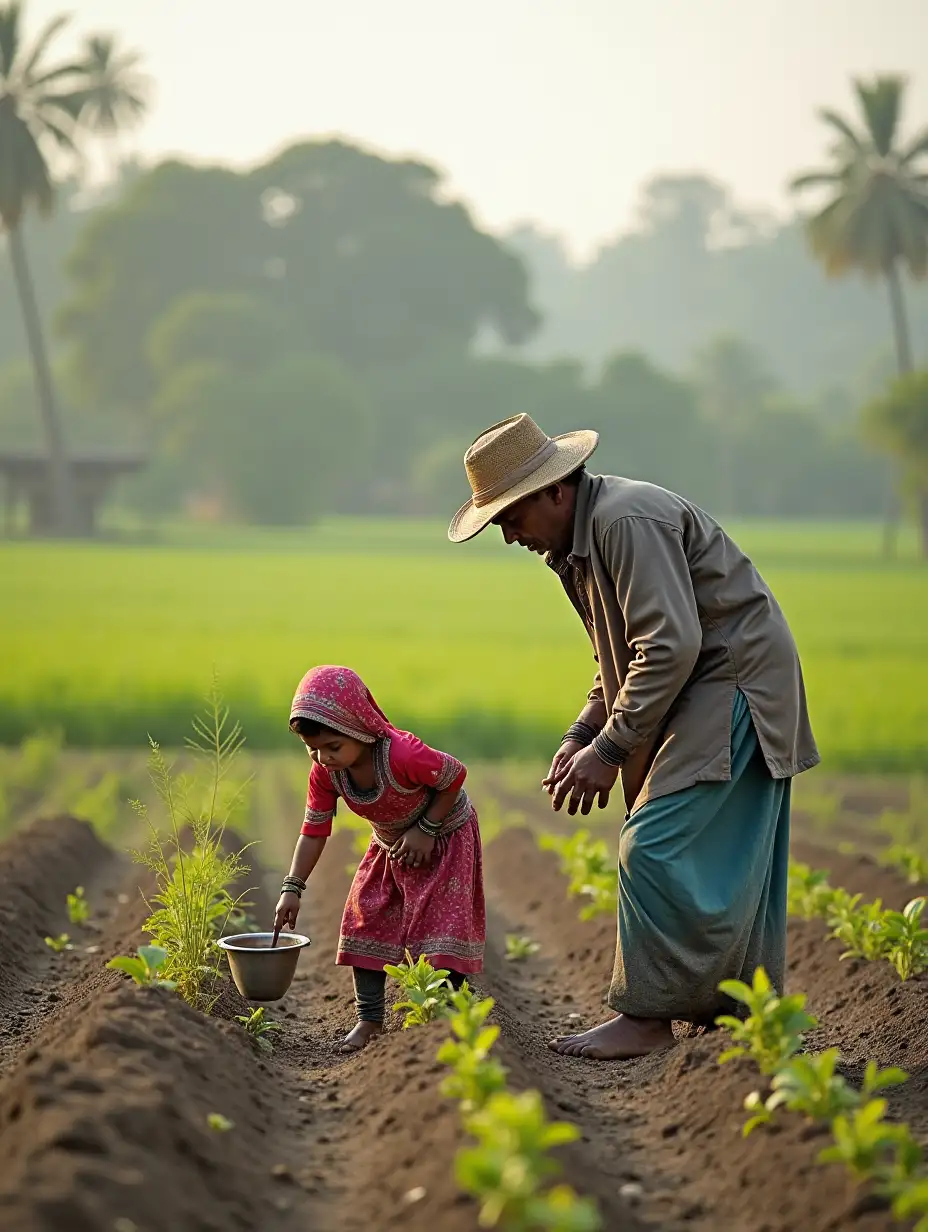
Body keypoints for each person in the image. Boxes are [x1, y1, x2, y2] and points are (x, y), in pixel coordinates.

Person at [448, 413, 819, 1061]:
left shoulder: (623, 522)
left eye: (510, 518)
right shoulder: (576, 546)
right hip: (707, 679)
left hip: (733, 679)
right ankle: (737, 1012)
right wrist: (583, 730)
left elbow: (670, 645)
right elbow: (615, 654)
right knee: (731, 859)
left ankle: (647, 1019)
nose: (509, 536)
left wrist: (611, 749)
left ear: (555, 490)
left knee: (651, 845)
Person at [274, 665, 485, 1052]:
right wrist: (293, 887)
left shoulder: (402, 753)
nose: (323, 757)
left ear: (359, 730)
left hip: (446, 835)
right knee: (365, 918)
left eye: (333, 747)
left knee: (441, 925)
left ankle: (451, 1017)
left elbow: (454, 775)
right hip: (390, 844)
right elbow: (314, 830)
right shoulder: (325, 774)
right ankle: (369, 1020)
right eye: (313, 749)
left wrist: (427, 829)